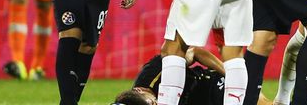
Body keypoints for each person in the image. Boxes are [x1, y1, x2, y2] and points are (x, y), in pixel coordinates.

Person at [112, 47, 273, 105]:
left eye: (152, 103)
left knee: (257, 102)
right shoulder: (141, 100)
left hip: (210, 84)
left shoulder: (151, 73)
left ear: (139, 91)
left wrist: (231, 76)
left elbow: (194, 52)